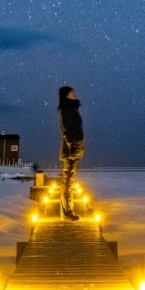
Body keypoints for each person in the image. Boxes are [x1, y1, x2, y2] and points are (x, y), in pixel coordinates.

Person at [56, 85, 84, 221]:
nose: (74, 93)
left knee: (70, 181)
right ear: (66, 94)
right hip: (71, 151)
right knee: (68, 182)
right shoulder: (67, 109)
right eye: (72, 92)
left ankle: (68, 211)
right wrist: (72, 146)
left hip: (74, 149)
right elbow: (66, 129)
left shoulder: (71, 108)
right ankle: (67, 212)